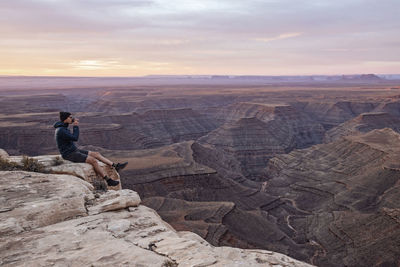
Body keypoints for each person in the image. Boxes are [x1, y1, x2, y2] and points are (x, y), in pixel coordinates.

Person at [54, 111, 127, 187]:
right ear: (65, 119)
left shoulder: (63, 127)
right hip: (69, 154)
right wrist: (75, 126)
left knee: (96, 154)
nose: (72, 118)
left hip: (73, 150)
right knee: (93, 161)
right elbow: (75, 138)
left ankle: (115, 165)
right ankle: (108, 180)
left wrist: (73, 123)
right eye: (70, 117)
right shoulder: (61, 130)